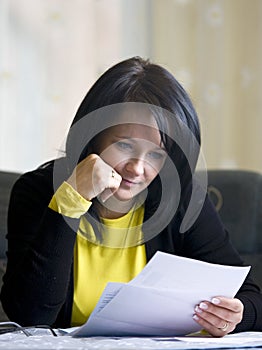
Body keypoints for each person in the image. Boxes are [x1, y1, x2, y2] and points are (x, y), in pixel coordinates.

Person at [1, 57, 262, 337]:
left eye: (156, 154)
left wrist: (236, 315)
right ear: (92, 137)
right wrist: (71, 199)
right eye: (124, 145)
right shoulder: (37, 192)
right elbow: (29, 316)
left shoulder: (182, 200)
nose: (137, 169)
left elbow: (250, 297)